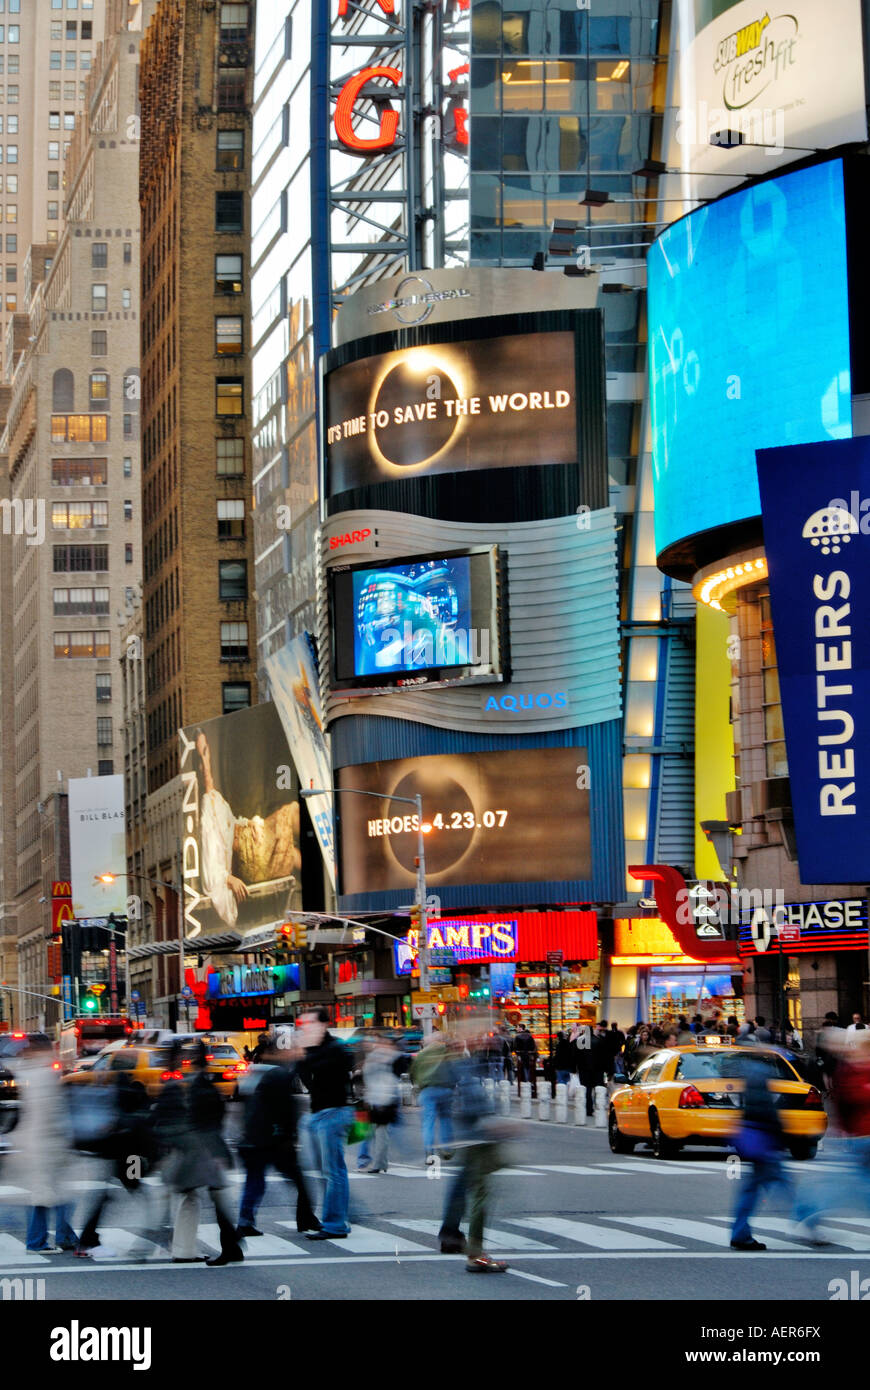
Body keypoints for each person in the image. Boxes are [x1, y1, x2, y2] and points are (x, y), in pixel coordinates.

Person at [153, 1041, 244, 1266]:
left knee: (204, 1197)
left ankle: (229, 1245)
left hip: (200, 1151)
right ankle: (230, 1244)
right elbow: (215, 1118)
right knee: (211, 1197)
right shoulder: (201, 1086)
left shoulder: (190, 1086)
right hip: (206, 1149)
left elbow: (192, 1120)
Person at [437, 1028, 509, 1273]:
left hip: (473, 1138)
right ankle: (475, 1255)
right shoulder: (462, 1066)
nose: (486, 1039)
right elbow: (471, 1102)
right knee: (479, 1194)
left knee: (466, 1190)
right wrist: (492, 1124)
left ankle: (453, 1236)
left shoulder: (467, 1063)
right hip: (477, 1140)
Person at [236, 1038, 320, 1237]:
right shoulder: (280, 1074)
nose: (292, 1053)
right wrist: (290, 1134)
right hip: (274, 1138)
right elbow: (285, 1108)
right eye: (289, 1050)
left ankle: (245, 1222)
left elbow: (242, 1102)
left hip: (252, 1137)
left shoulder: (251, 1072)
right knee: (299, 1180)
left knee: (255, 1180)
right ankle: (306, 1219)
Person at [9, 1037, 79, 1253]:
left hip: (37, 1145)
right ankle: (41, 1241)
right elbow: (52, 1114)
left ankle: (58, 1237)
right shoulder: (44, 1076)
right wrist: (66, 1139)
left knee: (48, 1195)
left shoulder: (31, 1072)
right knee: (52, 1196)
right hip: (48, 1146)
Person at [294, 1009, 354, 1239]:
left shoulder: (335, 1048)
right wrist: (304, 1054)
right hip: (318, 1113)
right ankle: (337, 1219)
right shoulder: (313, 1050)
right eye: (303, 1022)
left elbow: (329, 1073)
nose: (305, 1026)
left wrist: (305, 1054)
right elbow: (307, 1081)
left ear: (323, 1025)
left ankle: (336, 1224)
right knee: (326, 1171)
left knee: (333, 1171)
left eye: (310, 1022)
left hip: (334, 1112)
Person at [729, 1053, 794, 1251]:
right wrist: (782, 1138)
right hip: (766, 1145)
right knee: (784, 1187)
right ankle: (808, 1221)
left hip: (752, 1144)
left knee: (750, 1190)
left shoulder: (748, 1085)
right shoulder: (761, 1087)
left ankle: (740, 1233)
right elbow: (770, 1116)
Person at [411, 1033, 456, 1164]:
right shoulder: (448, 1052)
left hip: (427, 1090)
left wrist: (418, 1085)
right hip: (446, 1089)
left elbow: (413, 1072)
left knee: (428, 1122)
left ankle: (429, 1151)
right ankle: (446, 1148)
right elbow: (454, 1069)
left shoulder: (422, 1054)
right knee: (445, 1120)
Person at [361, 1031, 402, 1174]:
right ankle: (378, 1162)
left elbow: (383, 1080)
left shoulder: (381, 1057)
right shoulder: (386, 1056)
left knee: (378, 1132)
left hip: (382, 1100)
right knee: (377, 1132)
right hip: (379, 1099)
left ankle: (377, 1163)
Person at [512, 1024, 538, 1098]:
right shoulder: (530, 1037)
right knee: (529, 1069)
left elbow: (515, 1047)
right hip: (529, 1056)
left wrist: (518, 1053)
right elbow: (533, 1047)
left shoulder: (517, 1037)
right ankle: (529, 1082)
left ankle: (524, 1084)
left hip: (521, 1055)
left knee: (522, 1070)